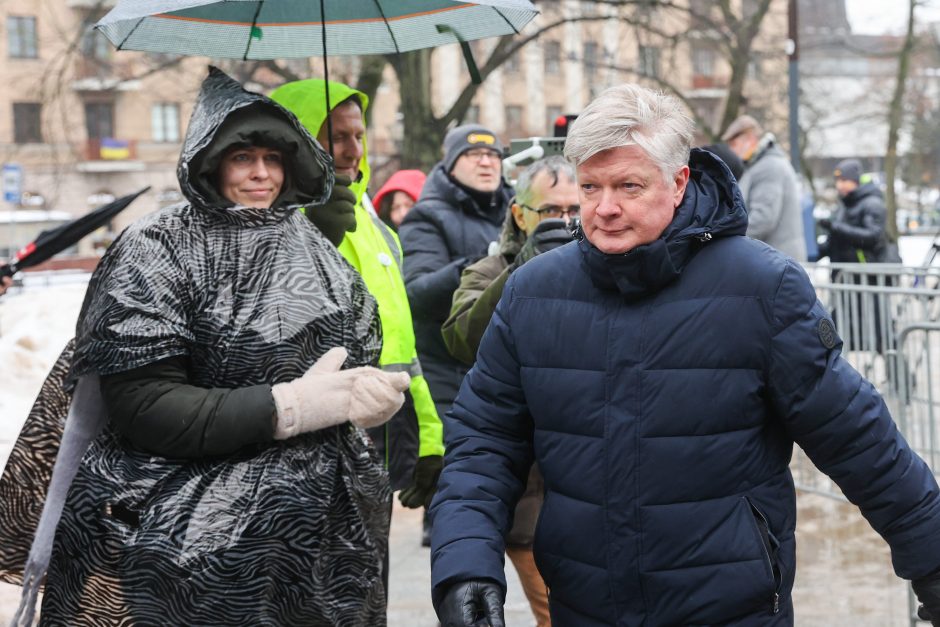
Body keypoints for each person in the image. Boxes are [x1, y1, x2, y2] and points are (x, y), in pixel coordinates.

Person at [429, 84, 940, 626]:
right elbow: (483, 441)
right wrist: (465, 562)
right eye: (590, 187)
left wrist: (932, 559)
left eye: (628, 185)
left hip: (731, 608)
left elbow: (856, 436)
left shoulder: (762, 288)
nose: (604, 208)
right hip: (584, 606)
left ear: (678, 183)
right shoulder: (533, 292)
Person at [17, 67, 410, 626]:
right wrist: (289, 407)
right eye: (242, 158)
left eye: (273, 159)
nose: (261, 174)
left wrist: (367, 395)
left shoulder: (314, 247)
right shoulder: (158, 246)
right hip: (185, 545)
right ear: (211, 161)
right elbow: (145, 405)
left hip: (319, 548)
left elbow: (356, 350)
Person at [270, 81, 444, 544]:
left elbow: (404, 350)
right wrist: (311, 235)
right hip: (310, 444)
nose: (352, 150)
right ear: (299, 140)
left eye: (359, 136)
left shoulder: (376, 226)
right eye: (337, 137)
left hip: (384, 433)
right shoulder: (269, 220)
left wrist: (428, 435)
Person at [440, 156, 577, 627]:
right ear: (521, 216)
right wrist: (524, 268)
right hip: (530, 500)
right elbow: (461, 339)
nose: (566, 223)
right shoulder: (492, 269)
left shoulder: (600, 269)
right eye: (551, 213)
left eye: (575, 210)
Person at [399, 123, 514, 425]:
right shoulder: (426, 217)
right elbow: (417, 294)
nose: (487, 162)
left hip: (509, 369)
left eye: (493, 155)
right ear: (450, 164)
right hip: (450, 375)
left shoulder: (520, 209)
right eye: (473, 154)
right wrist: (481, 265)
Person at [818, 158, 901, 353]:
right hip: (847, 280)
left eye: (844, 180)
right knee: (835, 332)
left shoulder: (872, 203)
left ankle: (901, 375)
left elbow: (872, 236)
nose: (839, 185)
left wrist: (836, 227)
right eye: (837, 181)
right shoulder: (845, 205)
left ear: (855, 180)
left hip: (867, 279)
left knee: (882, 334)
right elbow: (835, 239)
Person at [723, 114, 807, 261]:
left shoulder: (768, 167)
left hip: (777, 262)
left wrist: (727, 237)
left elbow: (763, 219)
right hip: (776, 260)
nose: (731, 151)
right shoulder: (763, 164)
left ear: (749, 139)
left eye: (733, 144)